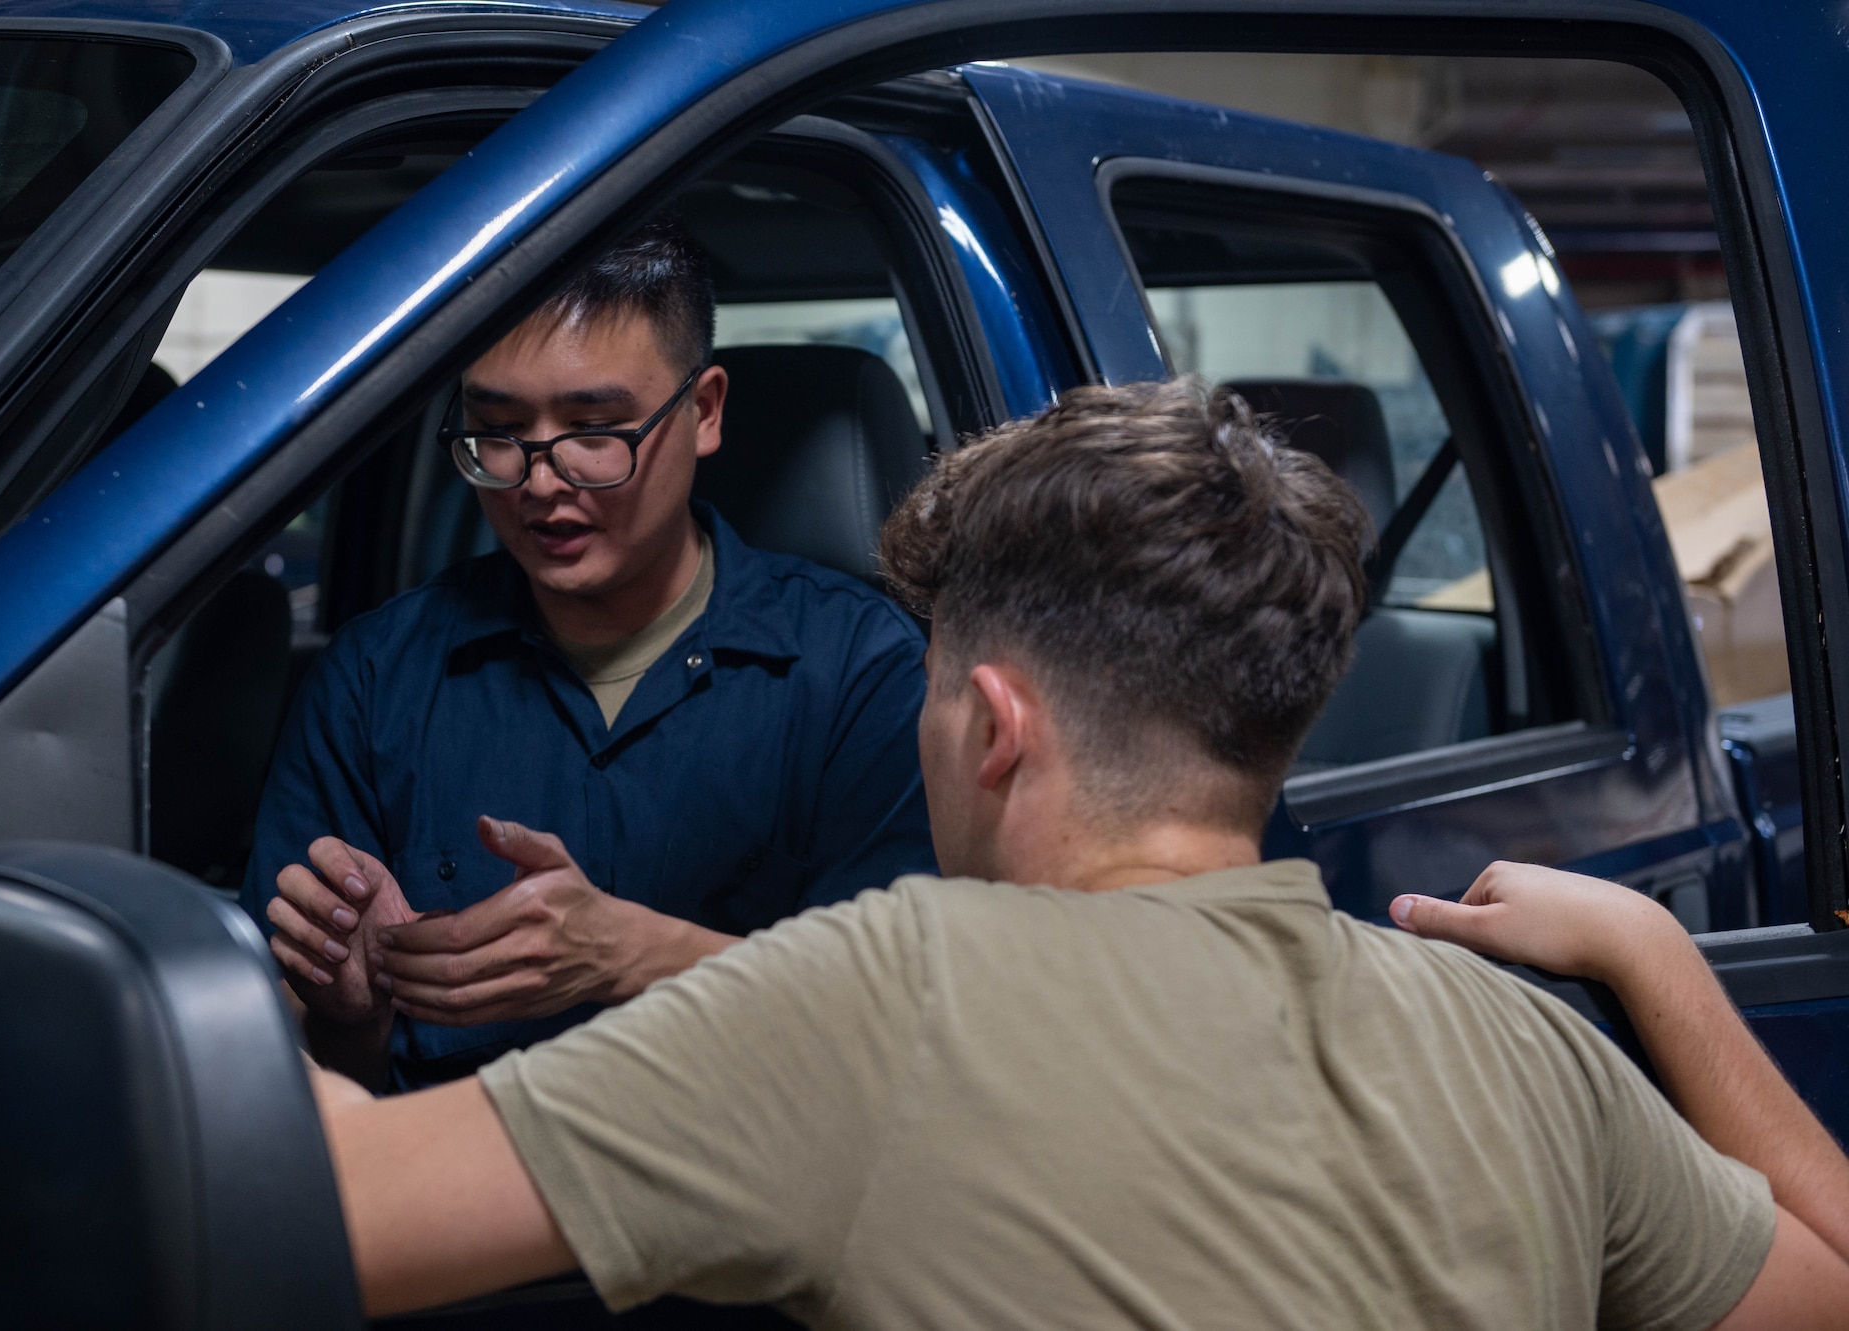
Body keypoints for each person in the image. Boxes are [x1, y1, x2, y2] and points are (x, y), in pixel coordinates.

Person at [304, 377, 1849, 1326]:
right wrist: (1651, 958)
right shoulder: (1523, 1044)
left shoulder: (887, 996)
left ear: (991, 725)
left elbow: (337, 1213)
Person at [242, 215, 935, 1090]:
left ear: (705, 410)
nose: (539, 483)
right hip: (447, 1201)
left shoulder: (860, 672)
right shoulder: (376, 679)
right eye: (498, 431)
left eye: (594, 430)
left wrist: (640, 957)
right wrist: (350, 1016)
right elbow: (301, 1079)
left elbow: (912, 1032)